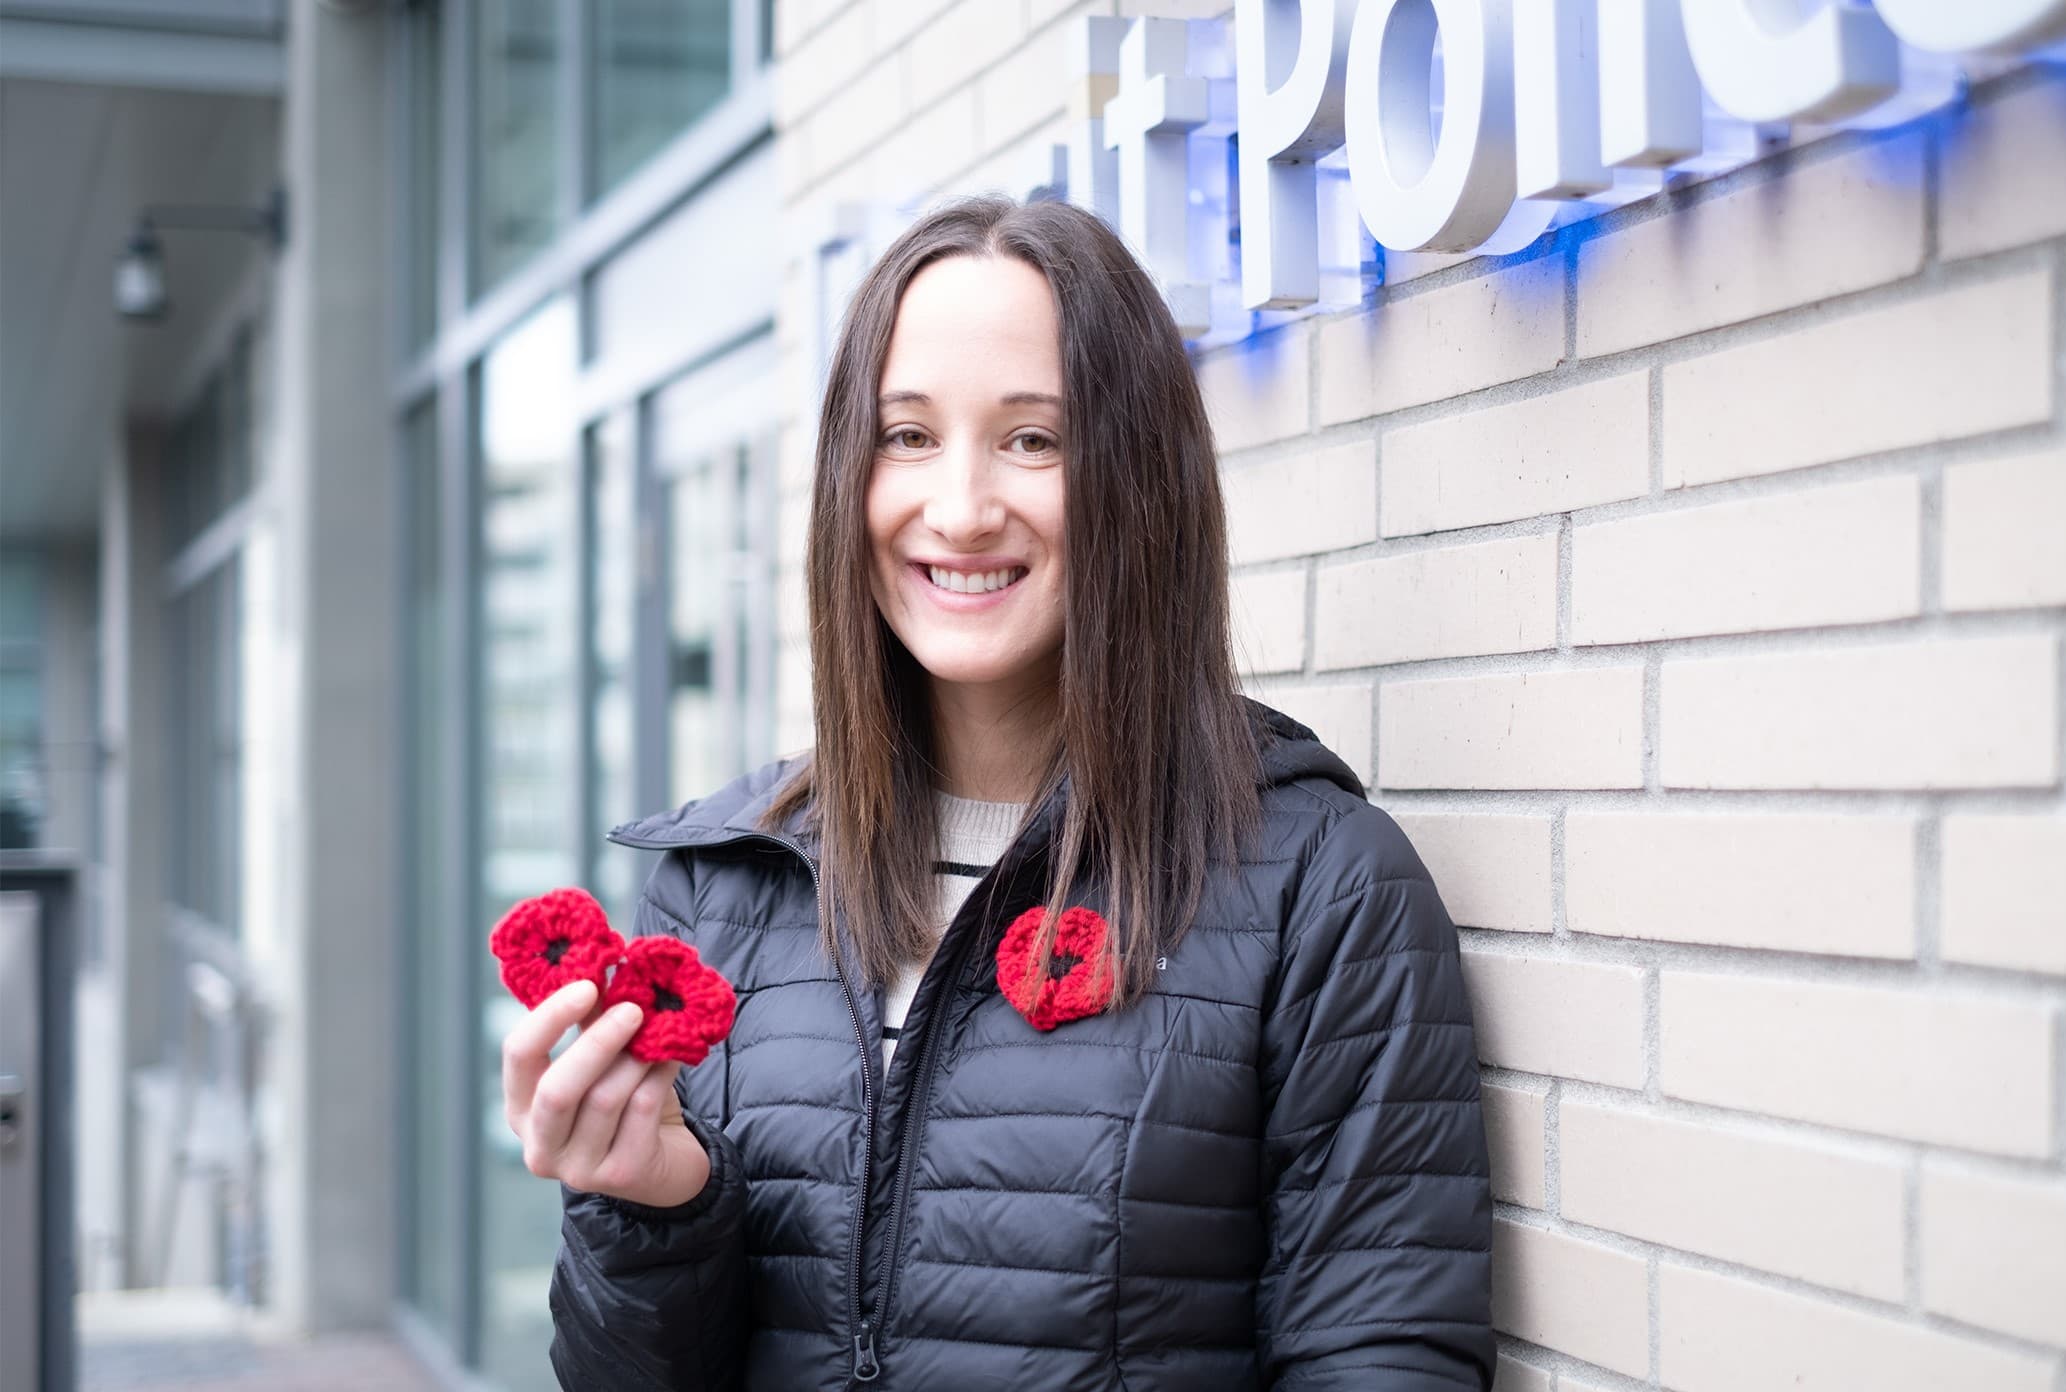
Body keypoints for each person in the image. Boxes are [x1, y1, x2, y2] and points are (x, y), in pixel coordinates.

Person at [501, 193, 1495, 1390]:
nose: (961, 509)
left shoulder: (1318, 889)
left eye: (1034, 440)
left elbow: (1380, 1359)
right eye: (906, 437)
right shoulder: (723, 889)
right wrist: (651, 1209)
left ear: (1140, 480)